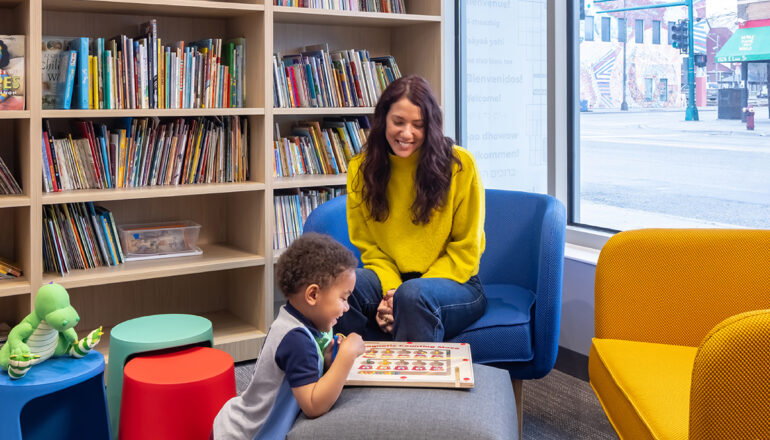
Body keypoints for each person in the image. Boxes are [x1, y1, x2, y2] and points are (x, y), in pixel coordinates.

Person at [336, 75, 486, 343]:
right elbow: (370, 248)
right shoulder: (361, 168)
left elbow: (466, 251)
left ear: (431, 126)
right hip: (389, 279)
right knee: (340, 285)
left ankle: (412, 384)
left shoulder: (460, 165)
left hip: (457, 282)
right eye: (398, 122)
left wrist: (401, 297)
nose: (407, 133)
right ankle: (350, 380)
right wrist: (393, 292)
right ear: (383, 120)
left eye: (418, 125)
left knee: (413, 296)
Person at [212, 233, 365, 440]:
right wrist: (346, 356)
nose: (347, 307)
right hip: (245, 436)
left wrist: (326, 359)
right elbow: (313, 405)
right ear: (312, 295)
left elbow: (300, 372)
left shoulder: (296, 321)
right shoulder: (296, 340)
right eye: (343, 298)